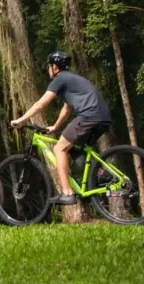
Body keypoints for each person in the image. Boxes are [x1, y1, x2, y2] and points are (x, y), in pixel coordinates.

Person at [11, 51, 113, 205]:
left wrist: (20, 120)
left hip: (88, 116)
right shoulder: (73, 80)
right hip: (103, 118)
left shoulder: (60, 79)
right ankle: (101, 174)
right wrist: (56, 126)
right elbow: (67, 108)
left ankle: (67, 193)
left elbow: (40, 104)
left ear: (55, 67)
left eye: (49, 66)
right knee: (75, 149)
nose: (48, 70)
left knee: (59, 149)